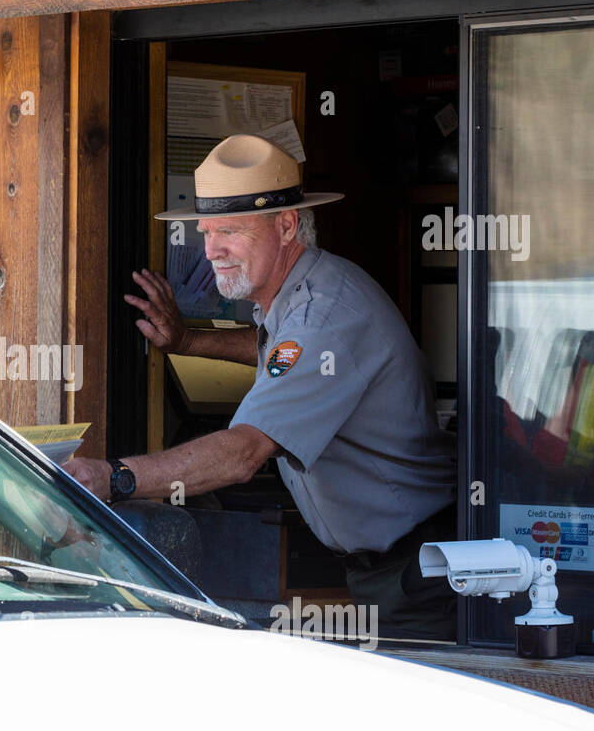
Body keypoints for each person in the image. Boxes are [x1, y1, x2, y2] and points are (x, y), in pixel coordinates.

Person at [63, 134, 458, 638]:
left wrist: (113, 478)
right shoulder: (304, 294)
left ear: (287, 224)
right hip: (385, 567)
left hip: (416, 575)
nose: (211, 251)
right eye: (205, 232)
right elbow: (277, 349)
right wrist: (187, 340)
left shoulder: (323, 315)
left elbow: (244, 453)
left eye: (230, 232)